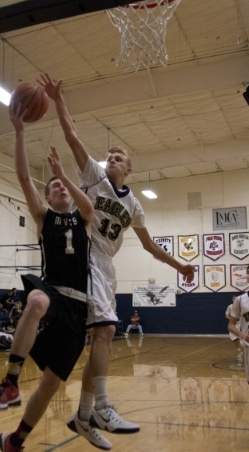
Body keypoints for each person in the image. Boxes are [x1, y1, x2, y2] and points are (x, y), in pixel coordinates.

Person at [39, 73, 196, 447]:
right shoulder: (93, 175)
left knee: (102, 336)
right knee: (106, 331)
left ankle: (83, 416)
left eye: (118, 158)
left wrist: (181, 266)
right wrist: (59, 101)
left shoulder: (135, 205)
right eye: (109, 156)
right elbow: (72, 135)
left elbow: (149, 246)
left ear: (129, 169)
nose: (111, 159)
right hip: (85, 255)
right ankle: (102, 406)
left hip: (108, 266)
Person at [0, 103, 96, 452]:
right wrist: (19, 132)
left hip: (79, 310)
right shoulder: (44, 217)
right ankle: (11, 381)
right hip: (53, 293)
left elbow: (89, 206)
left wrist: (65, 174)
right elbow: (21, 178)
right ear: (47, 197)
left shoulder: (83, 218)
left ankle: (16, 440)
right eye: (55, 187)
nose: (62, 189)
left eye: (65, 186)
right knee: (35, 299)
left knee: (50, 385)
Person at [225, 295, 242, 359]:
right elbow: (226, 315)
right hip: (233, 324)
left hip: (242, 324)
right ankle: (239, 351)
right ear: (232, 299)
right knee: (234, 338)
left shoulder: (242, 306)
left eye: (236, 298)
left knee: (244, 338)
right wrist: (232, 319)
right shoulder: (230, 306)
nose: (235, 299)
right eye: (234, 298)